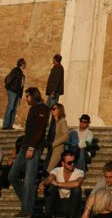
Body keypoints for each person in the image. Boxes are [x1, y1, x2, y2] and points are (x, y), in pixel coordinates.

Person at [8, 86, 50, 218]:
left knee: (29, 181)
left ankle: (27, 210)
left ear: (33, 95)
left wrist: (31, 148)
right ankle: (28, 203)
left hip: (34, 148)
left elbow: (39, 130)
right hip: (25, 147)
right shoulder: (33, 109)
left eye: (27, 96)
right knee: (12, 176)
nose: (26, 99)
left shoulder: (43, 109)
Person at [40, 150, 84, 218]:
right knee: (50, 187)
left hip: (71, 204)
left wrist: (58, 184)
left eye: (74, 162)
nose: (72, 164)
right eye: (69, 162)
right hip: (58, 203)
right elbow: (50, 178)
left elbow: (77, 183)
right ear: (63, 163)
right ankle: (49, 214)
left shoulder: (79, 172)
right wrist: (44, 183)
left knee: (77, 189)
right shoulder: (57, 170)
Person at [3, 57, 26, 129]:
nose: (26, 65)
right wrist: (8, 87)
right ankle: (6, 125)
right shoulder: (16, 70)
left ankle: (10, 125)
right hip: (13, 91)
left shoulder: (22, 74)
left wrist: (20, 95)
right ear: (22, 64)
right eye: (25, 64)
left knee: (14, 109)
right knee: (10, 107)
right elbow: (8, 78)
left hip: (18, 93)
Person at [46, 102, 69, 171]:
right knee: (48, 170)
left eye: (54, 109)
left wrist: (54, 144)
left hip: (57, 149)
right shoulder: (54, 122)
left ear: (59, 110)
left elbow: (66, 135)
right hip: (51, 149)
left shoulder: (62, 121)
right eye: (51, 109)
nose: (52, 111)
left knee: (50, 170)